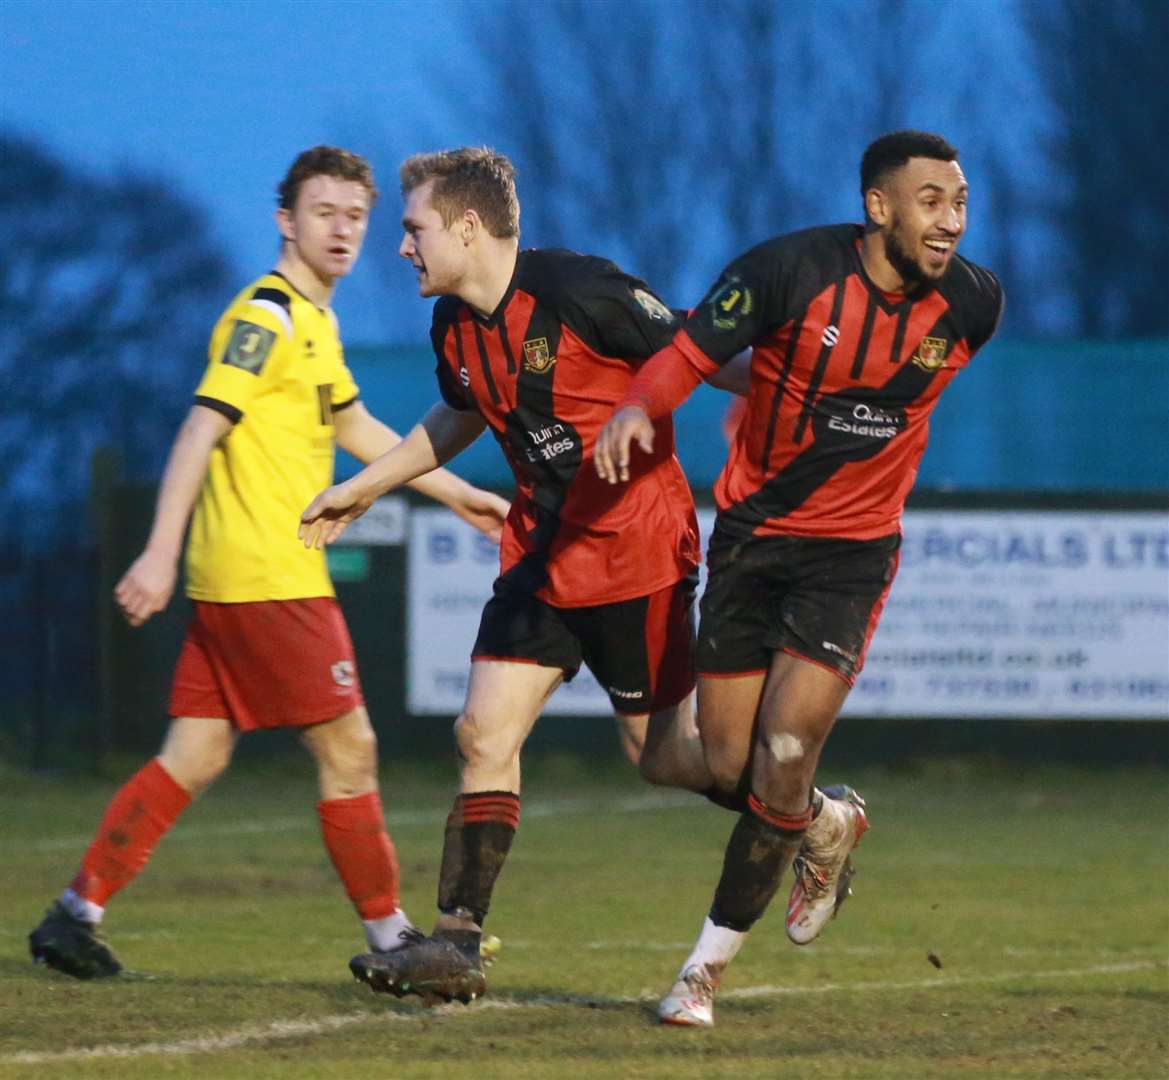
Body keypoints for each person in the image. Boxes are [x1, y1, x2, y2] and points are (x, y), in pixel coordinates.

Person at [28, 145, 510, 980]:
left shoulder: (315, 322)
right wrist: (155, 551)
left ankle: (75, 914)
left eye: (356, 215)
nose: (342, 229)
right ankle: (393, 937)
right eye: (322, 212)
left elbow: (357, 432)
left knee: (196, 755)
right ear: (285, 221)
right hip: (266, 575)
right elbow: (198, 428)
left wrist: (458, 494)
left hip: (242, 580)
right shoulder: (268, 317)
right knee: (350, 748)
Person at [299, 146, 750, 1005]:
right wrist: (361, 486)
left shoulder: (581, 292)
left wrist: (795, 393)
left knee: (661, 760)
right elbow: (459, 412)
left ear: (468, 228)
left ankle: (802, 814)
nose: (401, 247)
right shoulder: (453, 325)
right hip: (541, 556)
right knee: (481, 735)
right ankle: (456, 944)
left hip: (637, 557)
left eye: (413, 228)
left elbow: (696, 352)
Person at [595, 130, 1004, 1027]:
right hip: (750, 544)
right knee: (708, 760)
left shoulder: (973, 305)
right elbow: (688, 358)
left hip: (851, 557)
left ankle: (698, 975)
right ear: (878, 207)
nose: (950, 221)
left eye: (960, 202)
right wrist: (634, 406)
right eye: (930, 201)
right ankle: (825, 822)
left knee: (783, 751)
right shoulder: (786, 272)